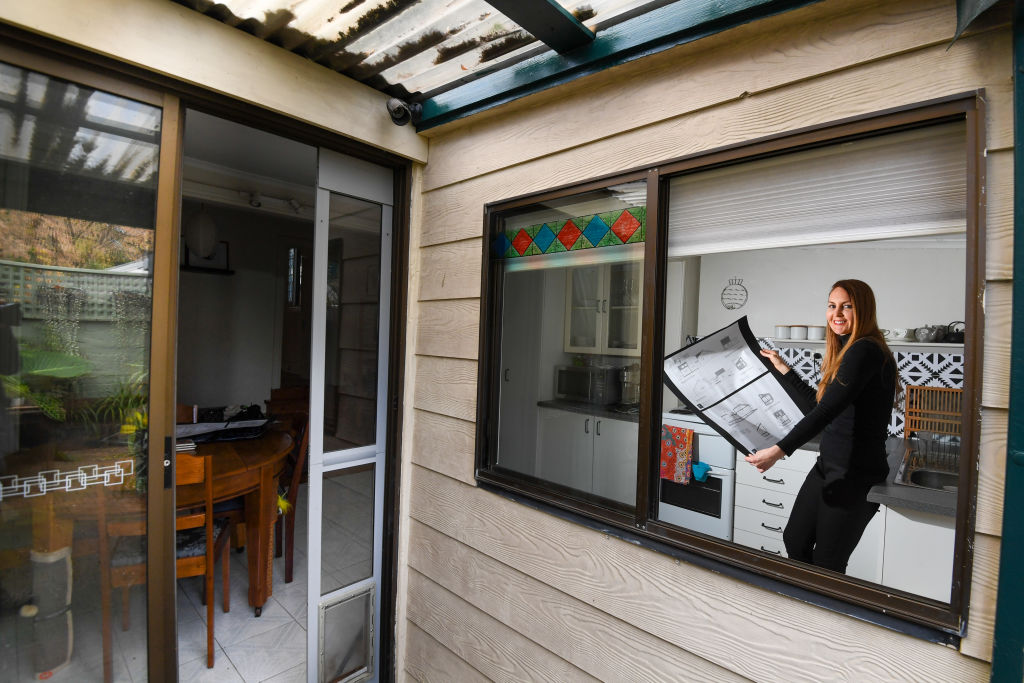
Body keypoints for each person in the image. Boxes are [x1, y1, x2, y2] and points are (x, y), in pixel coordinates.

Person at [745, 279, 897, 573]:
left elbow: (826, 411)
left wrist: (778, 451)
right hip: (828, 467)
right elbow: (822, 406)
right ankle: (805, 607)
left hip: (854, 477)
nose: (836, 313)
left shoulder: (865, 350)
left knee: (828, 563)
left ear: (863, 309)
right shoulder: (846, 349)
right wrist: (783, 368)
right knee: (794, 540)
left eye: (846, 306)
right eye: (831, 306)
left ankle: (820, 615)